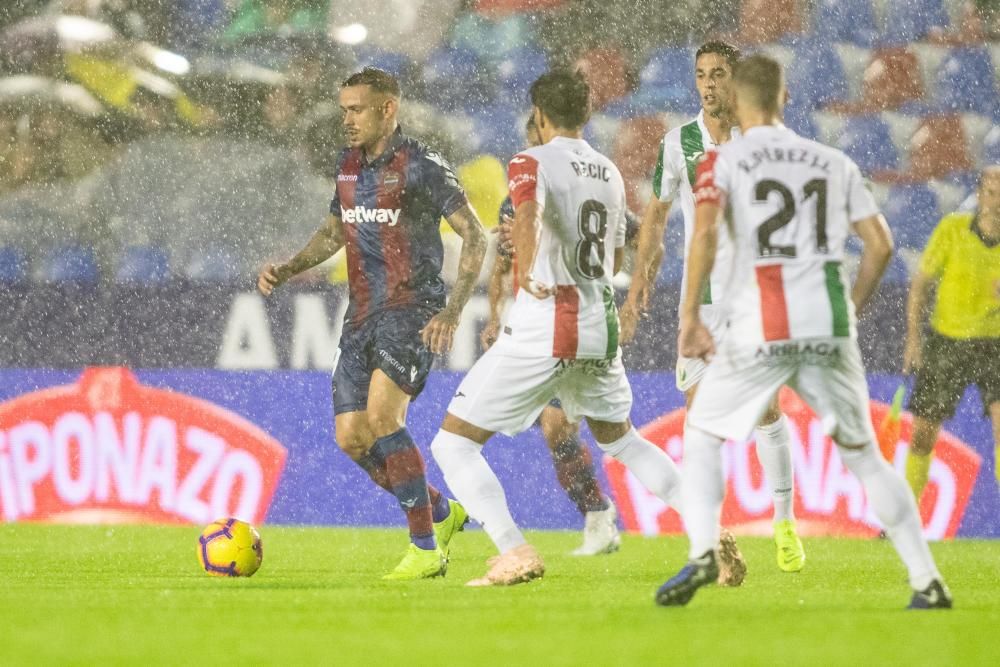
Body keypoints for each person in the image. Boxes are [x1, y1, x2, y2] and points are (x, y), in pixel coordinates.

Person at [655, 55, 950, 610]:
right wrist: (852, 308)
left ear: (739, 101)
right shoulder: (830, 160)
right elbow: (882, 245)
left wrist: (691, 316)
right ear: (784, 97)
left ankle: (701, 554)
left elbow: (705, 239)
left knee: (702, 436)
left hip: (760, 326)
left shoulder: (721, 163)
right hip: (828, 324)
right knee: (866, 458)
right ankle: (927, 580)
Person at [430, 70, 745, 587]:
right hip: (600, 319)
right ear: (587, 115)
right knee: (623, 441)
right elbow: (616, 252)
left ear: (539, 115)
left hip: (549, 318)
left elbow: (527, 217)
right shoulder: (610, 172)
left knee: (454, 445)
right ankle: (708, 528)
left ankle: (514, 550)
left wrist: (529, 266)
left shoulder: (529, 160)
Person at [257, 67, 488, 580]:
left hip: (411, 310)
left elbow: (475, 236)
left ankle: (425, 549)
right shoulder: (346, 166)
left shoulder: (422, 166)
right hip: (359, 315)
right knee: (352, 438)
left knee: (385, 420)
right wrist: (291, 267)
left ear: (388, 109)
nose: (347, 119)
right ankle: (443, 514)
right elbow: (334, 230)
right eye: (343, 109)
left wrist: (451, 310)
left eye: (357, 109)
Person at [621, 40, 805, 573]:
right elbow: (654, 218)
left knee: (767, 409)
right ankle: (713, 542)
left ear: (736, 80)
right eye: (701, 74)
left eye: (719, 74)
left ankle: (784, 519)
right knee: (702, 428)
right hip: (699, 303)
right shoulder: (678, 143)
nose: (708, 84)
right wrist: (638, 289)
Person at [481, 114, 622, 557]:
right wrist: (492, 316)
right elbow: (502, 266)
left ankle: (611, 514)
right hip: (536, 325)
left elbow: (622, 240)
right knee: (558, 432)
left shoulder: (583, 190)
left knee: (576, 428)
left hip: (575, 318)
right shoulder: (514, 203)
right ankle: (598, 514)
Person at [903, 166, 1000, 502]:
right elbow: (920, 286)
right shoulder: (953, 229)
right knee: (922, 436)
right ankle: (905, 519)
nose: (997, 201)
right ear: (979, 194)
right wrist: (914, 340)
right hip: (947, 341)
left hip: (996, 345)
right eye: (991, 192)